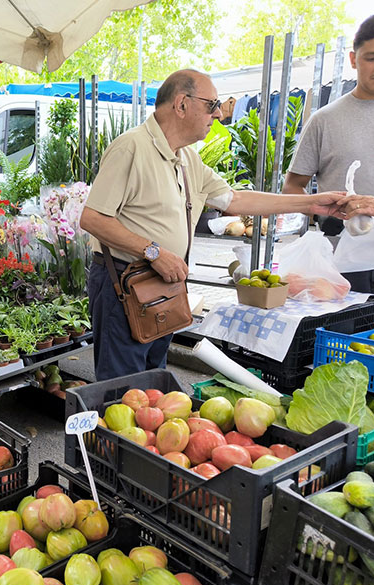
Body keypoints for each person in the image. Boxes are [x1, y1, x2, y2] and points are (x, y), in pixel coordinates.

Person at [80, 69, 346, 381]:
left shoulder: (187, 158)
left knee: (151, 388)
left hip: (164, 288)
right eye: (212, 104)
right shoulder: (131, 148)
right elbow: (93, 218)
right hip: (124, 287)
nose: (219, 114)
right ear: (181, 104)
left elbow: (235, 200)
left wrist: (309, 203)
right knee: (120, 393)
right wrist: (154, 252)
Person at [283, 11, 374, 313]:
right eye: (372, 57)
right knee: (339, 345)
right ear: (353, 59)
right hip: (340, 262)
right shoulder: (324, 120)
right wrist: (318, 213)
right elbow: (292, 186)